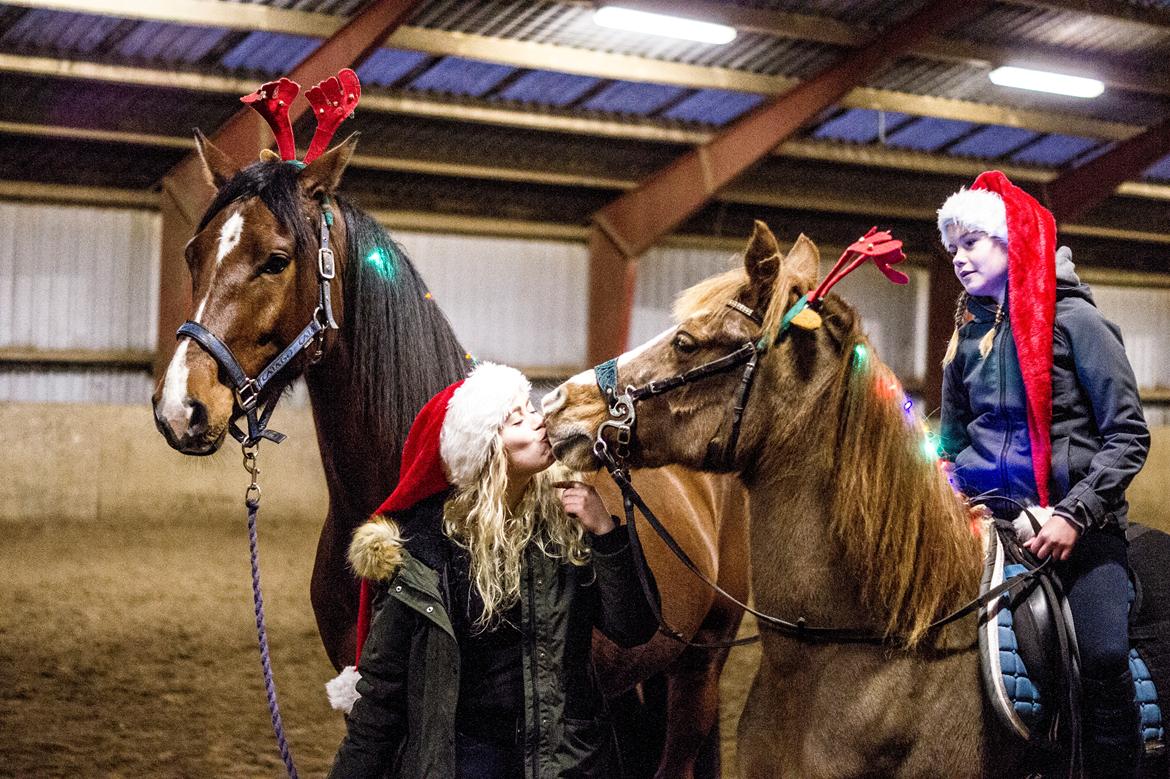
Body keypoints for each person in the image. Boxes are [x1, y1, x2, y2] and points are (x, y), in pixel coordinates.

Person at [325, 362, 660, 779]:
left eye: (530, 409)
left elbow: (635, 628)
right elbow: (382, 695)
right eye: (517, 418)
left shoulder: (568, 523)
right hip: (468, 758)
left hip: (564, 760)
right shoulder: (423, 548)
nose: (540, 422)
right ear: (486, 451)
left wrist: (607, 533)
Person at [937, 171, 1150, 777]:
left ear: (1013, 242)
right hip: (988, 520)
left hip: (1074, 525)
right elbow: (950, 442)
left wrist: (1074, 514)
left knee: (1105, 652)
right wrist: (949, 485)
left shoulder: (1077, 322)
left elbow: (1128, 436)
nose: (958, 258)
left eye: (972, 242)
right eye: (952, 247)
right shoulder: (969, 331)